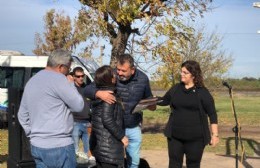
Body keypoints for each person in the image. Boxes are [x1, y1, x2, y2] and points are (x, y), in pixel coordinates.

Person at [86, 54, 155, 168]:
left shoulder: (143, 79)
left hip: (132, 126)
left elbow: (149, 98)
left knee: (134, 161)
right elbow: (87, 90)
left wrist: (151, 104)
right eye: (118, 69)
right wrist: (98, 93)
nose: (119, 73)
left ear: (132, 70)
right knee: (114, 160)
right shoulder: (111, 75)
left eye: (123, 71)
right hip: (113, 129)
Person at [18, 49, 84, 168]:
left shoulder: (32, 81)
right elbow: (79, 105)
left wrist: (33, 135)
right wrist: (71, 84)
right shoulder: (60, 80)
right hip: (59, 145)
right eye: (68, 69)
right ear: (61, 67)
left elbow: (22, 115)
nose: (68, 72)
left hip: (37, 146)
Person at [157, 60, 219, 168]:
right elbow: (164, 100)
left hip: (196, 139)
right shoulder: (176, 88)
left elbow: (212, 114)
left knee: (193, 165)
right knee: (174, 164)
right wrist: (151, 101)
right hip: (175, 137)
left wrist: (215, 135)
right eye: (181, 72)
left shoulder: (203, 92)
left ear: (193, 75)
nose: (182, 74)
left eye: (185, 72)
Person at [90, 65, 128, 168]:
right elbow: (107, 119)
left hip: (100, 147)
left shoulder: (98, 95)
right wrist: (122, 136)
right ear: (110, 79)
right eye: (113, 74)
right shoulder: (109, 96)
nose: (116, 75)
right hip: (108, 149)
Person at [70, 67, 95, 163]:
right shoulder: (70, 88)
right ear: (73, 77)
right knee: (75, 151)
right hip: (75, 122)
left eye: (82, 76)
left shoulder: (88, 89)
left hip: (88, 123)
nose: (81, 78)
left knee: (89, 152)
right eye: (78, 76)